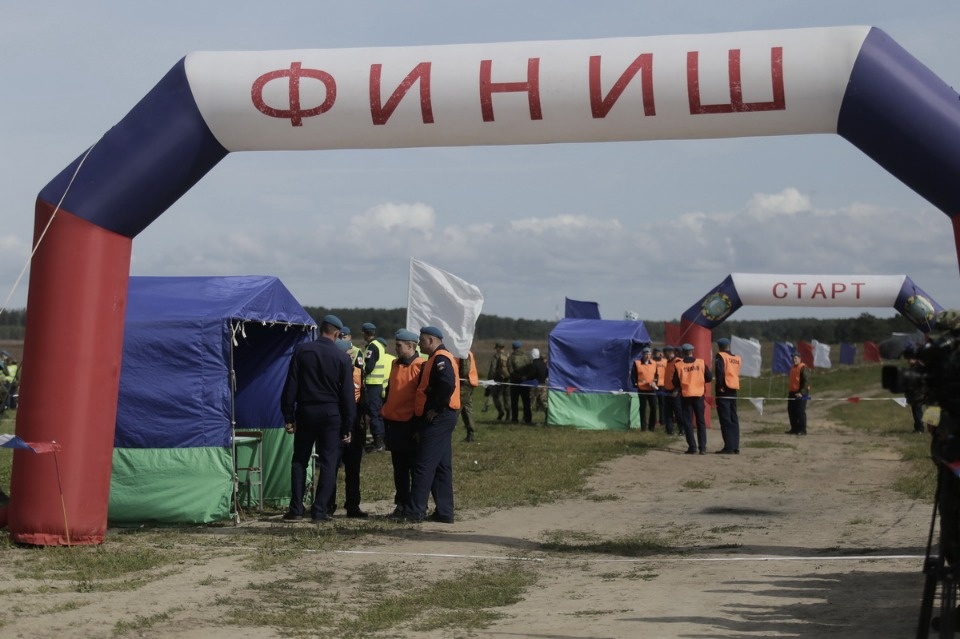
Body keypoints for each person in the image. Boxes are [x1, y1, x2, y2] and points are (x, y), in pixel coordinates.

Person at [280, 314, 356, 522]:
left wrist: (288, 415)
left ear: (321, 329)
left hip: (306, 411)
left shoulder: (302, 351)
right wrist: (348, 424)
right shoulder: (341, 358)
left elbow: (291, 385)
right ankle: (320, 510)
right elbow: (347, 395)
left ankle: (296, 509)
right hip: (331, 414)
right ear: (337, 334)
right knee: (329, 462)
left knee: (299, 460)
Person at [397, 326, 460, 523]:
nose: (420, 344)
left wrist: (438, 407)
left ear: (431, 340)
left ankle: (414, 511)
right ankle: (444, 511)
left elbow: (447, 384)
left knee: (423, 464)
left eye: (422, 341)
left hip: (439, 418)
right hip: (444, 417)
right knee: (441, 466)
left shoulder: (440, 358)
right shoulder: (438, 358)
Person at [381, 329, 425, 516]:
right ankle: (401, 504)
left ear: (411, 346)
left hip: (411, 423)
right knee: (399, 469)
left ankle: (415, 505)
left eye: (399, 345)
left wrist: (418, 425)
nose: (396, 348)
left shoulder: (420, 366)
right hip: (394, 423)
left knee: (414, 467)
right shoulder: (395, 364)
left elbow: (422, 397)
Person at [327, 338, 368, 517]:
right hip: (336, 424)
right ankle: (328, 505)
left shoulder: (359, 372)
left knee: (353, 468)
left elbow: (364, 397)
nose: (352, 358)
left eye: (352, 355)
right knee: (331, 467)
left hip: (355, 424)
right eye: (348, 355)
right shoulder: (330, 373)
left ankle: (353, 505)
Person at [673, 343, 713, 455]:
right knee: (701, 422)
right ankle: (703, 447)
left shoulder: (679, 365)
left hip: (686, 396)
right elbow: (709, 378)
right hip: (699, 395)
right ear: (693, 351)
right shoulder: (701, 362)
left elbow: (675, 382)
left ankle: (692, 447)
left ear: (682, 352)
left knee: (688, 422)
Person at [361, 322, 387, 452]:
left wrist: (361, 372)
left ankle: (378, 442)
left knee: (373, 412)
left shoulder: (371, 347)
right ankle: (380, 441)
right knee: (376, 412)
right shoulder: (379, 345)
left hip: (372, 384)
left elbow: (369, 366)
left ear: (365, 333)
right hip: (378, 383)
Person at [713, 337, 742, 454]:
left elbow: (720, 372)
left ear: (720, 347)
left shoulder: (720, 356)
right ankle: (735, 446)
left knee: (725, 419)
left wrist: (719, 386)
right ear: (729, 346)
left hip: (723, 389)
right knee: (734, 418)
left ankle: (729, 446)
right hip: (734, 389)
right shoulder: (736, 358)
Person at [631, 346, 658, 431]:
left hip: (651, 389)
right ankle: (644, 427)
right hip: (642, 389)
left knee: (653, 407)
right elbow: (633, 375)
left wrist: (654, 382)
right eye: (646, 354)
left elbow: (656, 375)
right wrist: (636, 384)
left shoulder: (654, 363)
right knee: (643, 408)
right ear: (642, 355)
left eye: (649, 354)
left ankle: (652, 427)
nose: (647, 356)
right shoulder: (637, 363)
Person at [507, 340, 533, 424]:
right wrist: (526, 377)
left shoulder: (511, 358)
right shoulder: (527, 356)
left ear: (513, 348)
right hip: (526, 382)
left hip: (515, 382)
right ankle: (528, 419)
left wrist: (519, 377)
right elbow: (531, 368)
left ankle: (515, 419)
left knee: (514, 402)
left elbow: (511, 371)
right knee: (526, 402)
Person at [786, 352, 811, 435]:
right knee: (791, 411)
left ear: (800, 359)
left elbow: (806, 382)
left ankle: (802, 430)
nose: (794, 359)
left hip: (801, 393)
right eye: (793, 358)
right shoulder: (792, 368)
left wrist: (801, 392)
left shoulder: (803, 368)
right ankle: (794, 428)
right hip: (792, 393)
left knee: (800, 411)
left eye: (796, 358)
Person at [659, 346, 681, 435]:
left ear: (669, 352)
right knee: (668, 412)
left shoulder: (678, 361)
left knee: (678, 412)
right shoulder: (667, 362)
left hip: (675, 392)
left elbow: (681, 377)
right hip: (667, 391)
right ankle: (669, 430)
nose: (664, 356)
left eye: (665, 354)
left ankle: (682, 429)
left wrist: (677, 389)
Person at [458, 350, 479, 441]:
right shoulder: (468, 352)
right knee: (467, 409)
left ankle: (445, 432)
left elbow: (465, 371)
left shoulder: (464, 353)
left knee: (456, 407)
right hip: (469, 382)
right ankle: (471, 433)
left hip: (464, 383)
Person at [487, 342, 510, 420]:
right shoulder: (508, 355)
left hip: (498, 379)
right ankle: (508, 414)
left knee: (496, 396)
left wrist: (490, 379)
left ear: (497, 348)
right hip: (507, 379)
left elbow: (492, 369)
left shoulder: (496, 356)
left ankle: (501, 411)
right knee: (506, 397)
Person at [530, 348, 549, 420]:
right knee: (543, 402)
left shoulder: (534, 364)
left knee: (530, 402)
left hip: (535, 386)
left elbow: (531, 375)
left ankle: (527, 418)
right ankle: (548, 416)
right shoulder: (544, 365)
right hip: (543, 386)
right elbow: (547, 373)